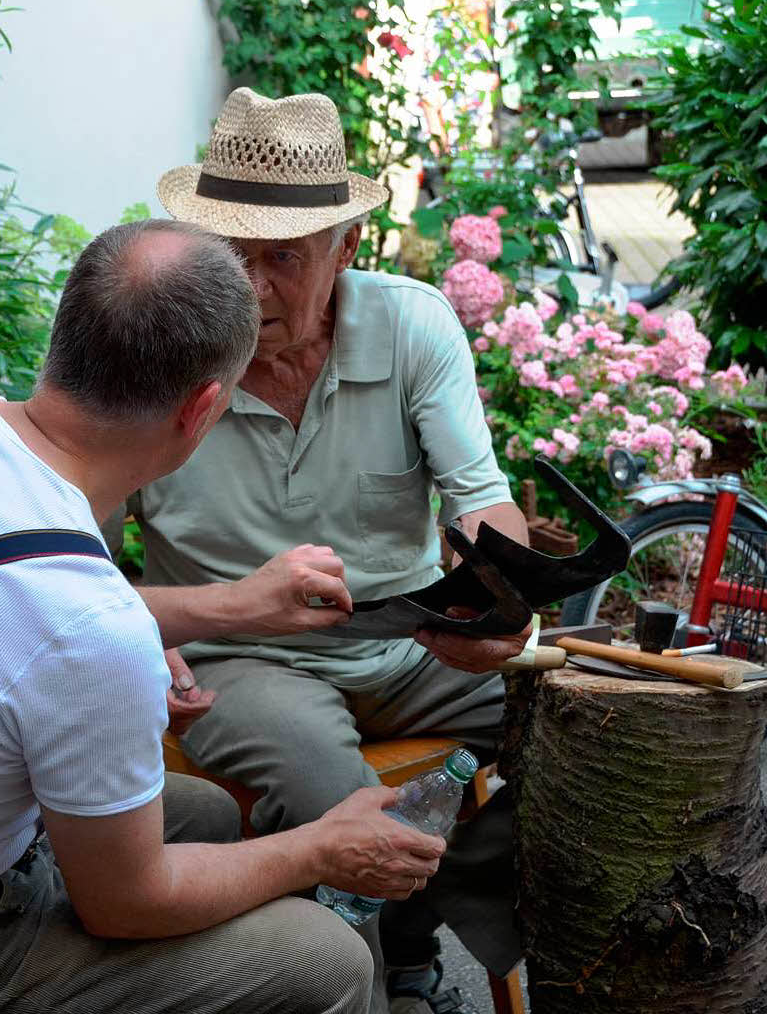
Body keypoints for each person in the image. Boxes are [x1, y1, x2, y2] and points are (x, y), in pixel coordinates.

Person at [130, 88, 531, 1012]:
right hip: (239, 657)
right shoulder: (155, 347)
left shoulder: (411, 323)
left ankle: (417, 933)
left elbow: (482, 504)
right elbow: (74, 558)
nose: (249, 287)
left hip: (409, 642)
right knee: (320, 784)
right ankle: (340, 984)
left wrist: (497, 601)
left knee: (568, 717)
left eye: (281, 258)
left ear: (347, 248)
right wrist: (147, 641)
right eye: (230, 254)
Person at [0, 219, 446, 1014]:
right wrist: (320, 847)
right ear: (205, 406)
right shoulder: (92, 631)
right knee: (324, 958)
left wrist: (207, 615)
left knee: (202, 809)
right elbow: (125, 902)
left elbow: (42, 622)